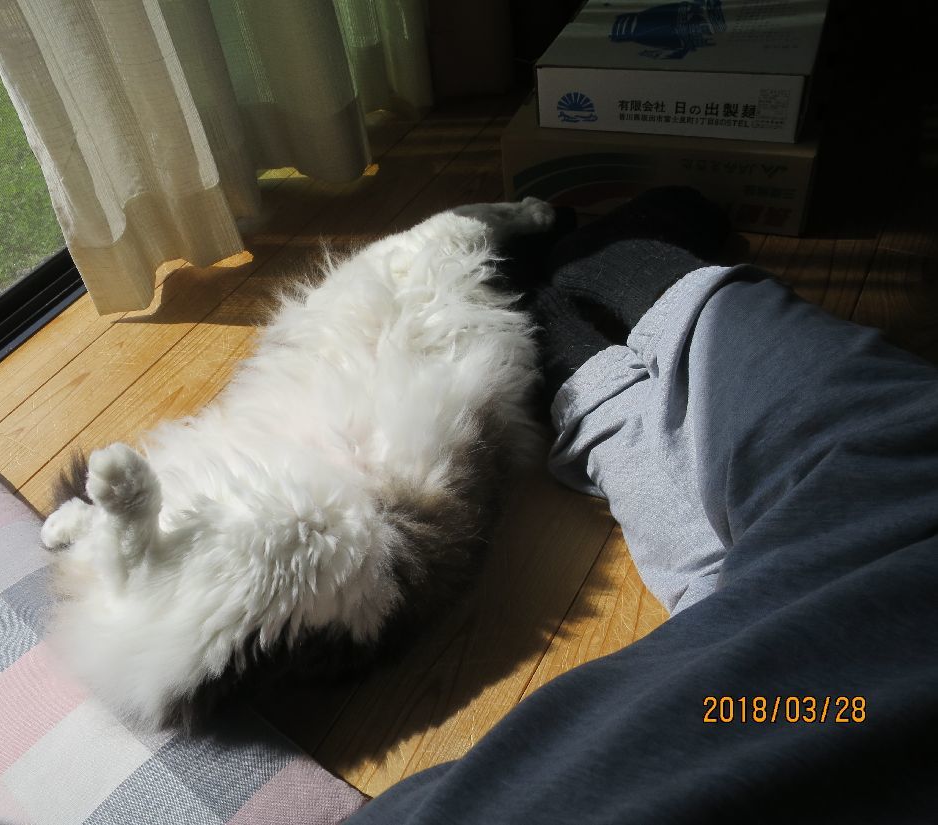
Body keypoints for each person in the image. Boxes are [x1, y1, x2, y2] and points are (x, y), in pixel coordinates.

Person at [346, 187, 938, 823]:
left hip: (768, 658)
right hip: (795, 632)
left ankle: (587, 300)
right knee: (788, 462)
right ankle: (603, 286)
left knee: (742, 547)